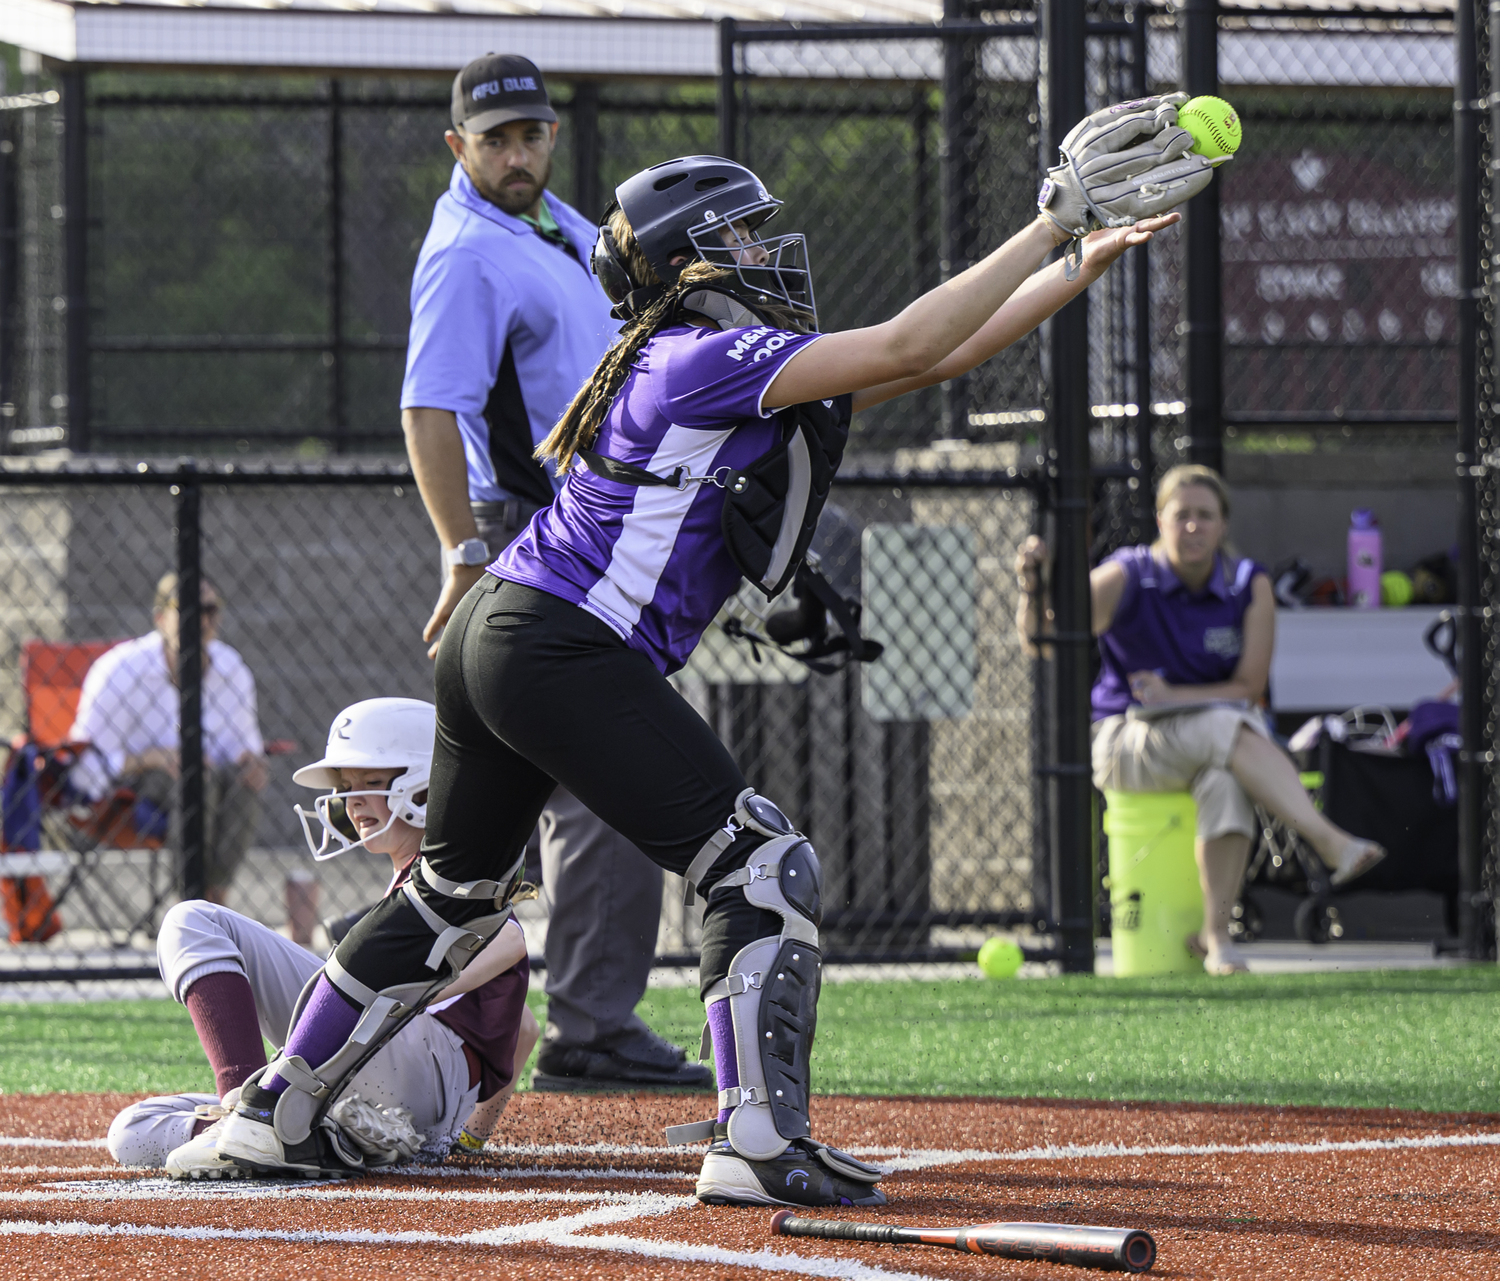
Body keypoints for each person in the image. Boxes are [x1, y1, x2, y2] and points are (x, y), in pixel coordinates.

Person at [208, 94, 1215, 1203]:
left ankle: (277, 1111)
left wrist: (1076, 261)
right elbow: (914, 339)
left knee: (452, 902)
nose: (762, 251)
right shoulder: (701, 357)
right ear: (691, 261)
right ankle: (758, 1141)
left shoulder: (687, 359)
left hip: (506, 634)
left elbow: (928, 363)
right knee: (759, 866)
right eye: (741, 236)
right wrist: (1048, 218)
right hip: (558, 644)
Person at [401, 52, 706, 1091]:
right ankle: (575, 1024)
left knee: (547, 796)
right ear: (459, 148)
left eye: (530, 134)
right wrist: (460, 548)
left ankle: (555, 1020)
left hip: (593, 524)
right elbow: (429, 408)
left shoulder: (568, 229)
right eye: (496, 140)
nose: (518, 153)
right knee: (599, 777)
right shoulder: (466, 253)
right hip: (530, 529)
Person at [106, 698, 537, 1177]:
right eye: (348, 787)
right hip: (409, 1099)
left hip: (415, 1068)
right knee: (133, 1130)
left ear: (429, 784)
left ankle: (245, 1114)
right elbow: (525, 1029)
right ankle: (323, 1138)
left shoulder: (454, 884)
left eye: (372, 782)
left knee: (193, 921)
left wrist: (393, 986)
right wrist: (465, 1137)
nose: (353, 801)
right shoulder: (405, 890)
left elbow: (510, 940)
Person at [1015, 464, 1387, 976]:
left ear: (1223, 526)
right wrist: (1032, 588)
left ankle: (1217, 939)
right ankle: (1327, 841)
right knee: (1224, 728)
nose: (1193, 526)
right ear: (1160, 521)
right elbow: (1043, 642)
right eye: (1181, 515)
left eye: (1205, 516)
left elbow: (1249, 688)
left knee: (1225, 782)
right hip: (1126, 741)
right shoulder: (1128, 574)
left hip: (1214, 739)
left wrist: (1176, 694)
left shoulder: (1246, 584)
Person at [68, 572, 267, 905]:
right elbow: (82, 763)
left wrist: (254, 762)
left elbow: (245, 748)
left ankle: (214, 897)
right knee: (197, 778)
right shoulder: (120, 671)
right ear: (160, 617)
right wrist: (156, 758)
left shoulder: (232, 669)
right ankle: (192, 903)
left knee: (243, 780)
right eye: (188, 608)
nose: (202, 619)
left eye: (210, 609)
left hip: (213, 781)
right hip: (132, 786)